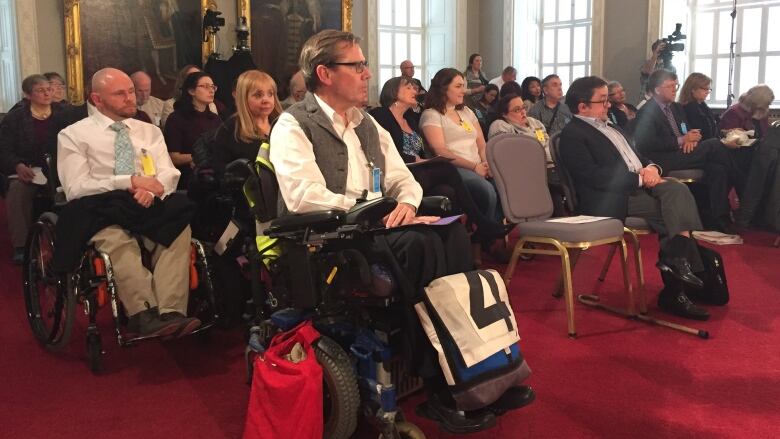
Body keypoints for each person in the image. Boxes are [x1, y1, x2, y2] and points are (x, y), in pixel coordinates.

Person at [270, 30, 532, 433]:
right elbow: (304, 196)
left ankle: (486, 369)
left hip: (380, 226)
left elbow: (403, 179)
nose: (366, 72)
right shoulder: (294, 125)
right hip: (332, 238)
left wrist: (408, 203)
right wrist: (373, 211)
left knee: (453, 234)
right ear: (324, 73)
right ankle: (443, 386)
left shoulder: (367, 124)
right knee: (421, 245)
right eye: (356, 65)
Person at [57, 68, 200, 337]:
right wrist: (130, 182)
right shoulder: (74, 135)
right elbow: (76, 187)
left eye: (131, 91)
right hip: (100, 206)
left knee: (179, 229)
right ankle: (143, 312)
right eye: (120, 94)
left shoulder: (149, 131)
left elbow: (168, 172)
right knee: (117, 240)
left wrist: (153, 189)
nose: (130, 98)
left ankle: (170, 311)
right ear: (97, 99)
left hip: (147, 200)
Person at [559, 76, 710, 321]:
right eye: (603, 101)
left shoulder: (610, 127)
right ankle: (676, 287)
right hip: (609, 198)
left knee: (678, 190)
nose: (609, 105)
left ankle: (676, 261)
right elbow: (594, 177)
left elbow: (639, 156)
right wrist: (640, 179)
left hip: (638, 187)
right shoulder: (573, 135)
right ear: (582, 107)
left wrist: (652, 169)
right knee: (673, 211)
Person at [369, 77, 506, 239]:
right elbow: (384, 151)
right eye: (408, 88)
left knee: (447, 192)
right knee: (447, 168)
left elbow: (421, 152)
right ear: (393, 92)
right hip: (399, 171)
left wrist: (423, 161)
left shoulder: (411, 120)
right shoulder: (381, 115)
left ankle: (457, 241)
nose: (415, 91)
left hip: (417, 171)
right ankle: (482, 223)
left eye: (415, 88)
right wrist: (419, 161)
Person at [630, 69, 736, 233]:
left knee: (718, 169)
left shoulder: (676, 108)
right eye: (670, 86)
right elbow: (645, 143)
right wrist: (681, 141)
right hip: (662, 160)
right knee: (715, 144)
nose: (675, 89)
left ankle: (717, 218)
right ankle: (743, 187)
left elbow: (688, 130)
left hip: (682, 152)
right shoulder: (647, 112)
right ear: (658, 89)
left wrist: (692, 139)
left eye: (676, 85)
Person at [0, 74, 69, 264]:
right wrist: (18, 165)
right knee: (17, 191)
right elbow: (4, 149)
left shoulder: (64, 113)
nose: (47, 93)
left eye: (49, 89)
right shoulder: (15, 118)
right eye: (40, 90)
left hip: (60, 169)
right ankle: (21, 246)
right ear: (28, 95)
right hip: (29, 172)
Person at [719, 84, 776, 228]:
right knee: (763, 168)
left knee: (770, 164)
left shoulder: (761, 114)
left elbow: (765, 137)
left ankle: (760, 213)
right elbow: (726, 137)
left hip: (755, 154)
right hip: (737, 155)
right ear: (758, 102)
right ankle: (751, 214)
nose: (768, 107)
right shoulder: (734, 113)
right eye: (767, 103)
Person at [212, 70, 282, 175]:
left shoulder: (283, 125)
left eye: (270, 94)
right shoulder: (229, 130)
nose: (266, 100)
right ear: (243, 98)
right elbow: (221, 172)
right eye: (258, 95)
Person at [163, 71, 223, 189]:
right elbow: (173, 157)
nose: (211, 90)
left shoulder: (215, 119)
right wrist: (200, 157)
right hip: (188, 177)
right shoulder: (176, 119)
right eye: (205, 86)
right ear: (191, 91)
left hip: (214, 174)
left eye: (212, 87)